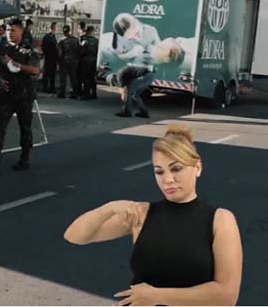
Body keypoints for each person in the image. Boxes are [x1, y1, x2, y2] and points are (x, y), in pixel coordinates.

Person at [64, 125, 242, 306]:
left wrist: (156, 296)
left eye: (176, 169)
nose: (167, 179)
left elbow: (227, 296)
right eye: (159, 171)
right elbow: (74, 236)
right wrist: (109, 208)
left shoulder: (220, 220)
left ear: (197, 167)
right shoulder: (141, 214)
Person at [0, 18, 41, 172]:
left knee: (25, 128)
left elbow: (35, 70)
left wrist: (15, 64)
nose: (10, 33)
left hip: (24, 96)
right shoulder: (1, 48)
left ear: (21, 31)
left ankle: (24, 159)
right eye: (8, 30)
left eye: (13, 30)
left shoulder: (28, 50)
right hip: (6, 95)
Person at [57, 25, 81, 99]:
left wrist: (59, 61)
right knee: (73, 77)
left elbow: (59, 53)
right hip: (73, 61)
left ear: (63, 31)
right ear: (69, 30)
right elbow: (79, 51)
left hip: (64, 61)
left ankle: (62, 93)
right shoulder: (76, 39)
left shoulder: (61, 40)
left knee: (63, 78)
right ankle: (75, 93)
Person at [80, 26, 99, 100]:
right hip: (93, 61)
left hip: (86, 61)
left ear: (87, 31)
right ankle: (94, 93)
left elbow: (81, 51)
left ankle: (87, 93)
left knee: (86, 78)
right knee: (92, 78)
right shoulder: (96, 40)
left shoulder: (85, 41)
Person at [41, 22, 59, 94]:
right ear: (53, 28)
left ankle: (51, 87)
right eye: (55, 27)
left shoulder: (53, 36)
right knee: (47, 73)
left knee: (52, 74)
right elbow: (44, 47)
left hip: (53, 58)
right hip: (49, 57)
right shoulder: (48, 36)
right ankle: (46, 87)